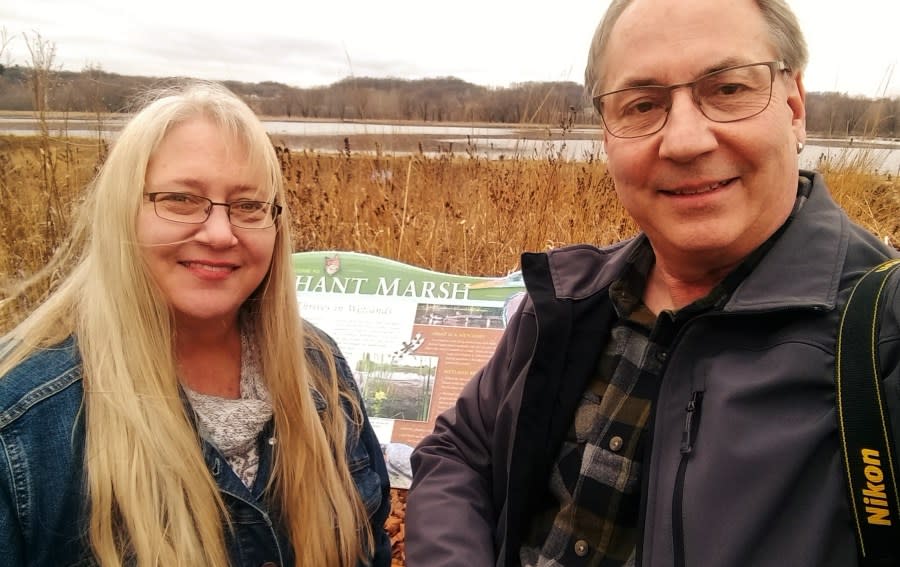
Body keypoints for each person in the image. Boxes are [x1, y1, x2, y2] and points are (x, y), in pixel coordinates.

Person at [406, 0, 900, 565]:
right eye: (643, 104)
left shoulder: (881, 336)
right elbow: (458, 452)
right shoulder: (570, 299)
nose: (686, 141)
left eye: (728, 90)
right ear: (608, 136)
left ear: (793, 108)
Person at [0, 81, 391, 567]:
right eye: (181, 199)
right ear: (123, 212)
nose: (220, 233)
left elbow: (369, 543)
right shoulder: (24, 424)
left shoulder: (319, 368)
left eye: (248, 206)